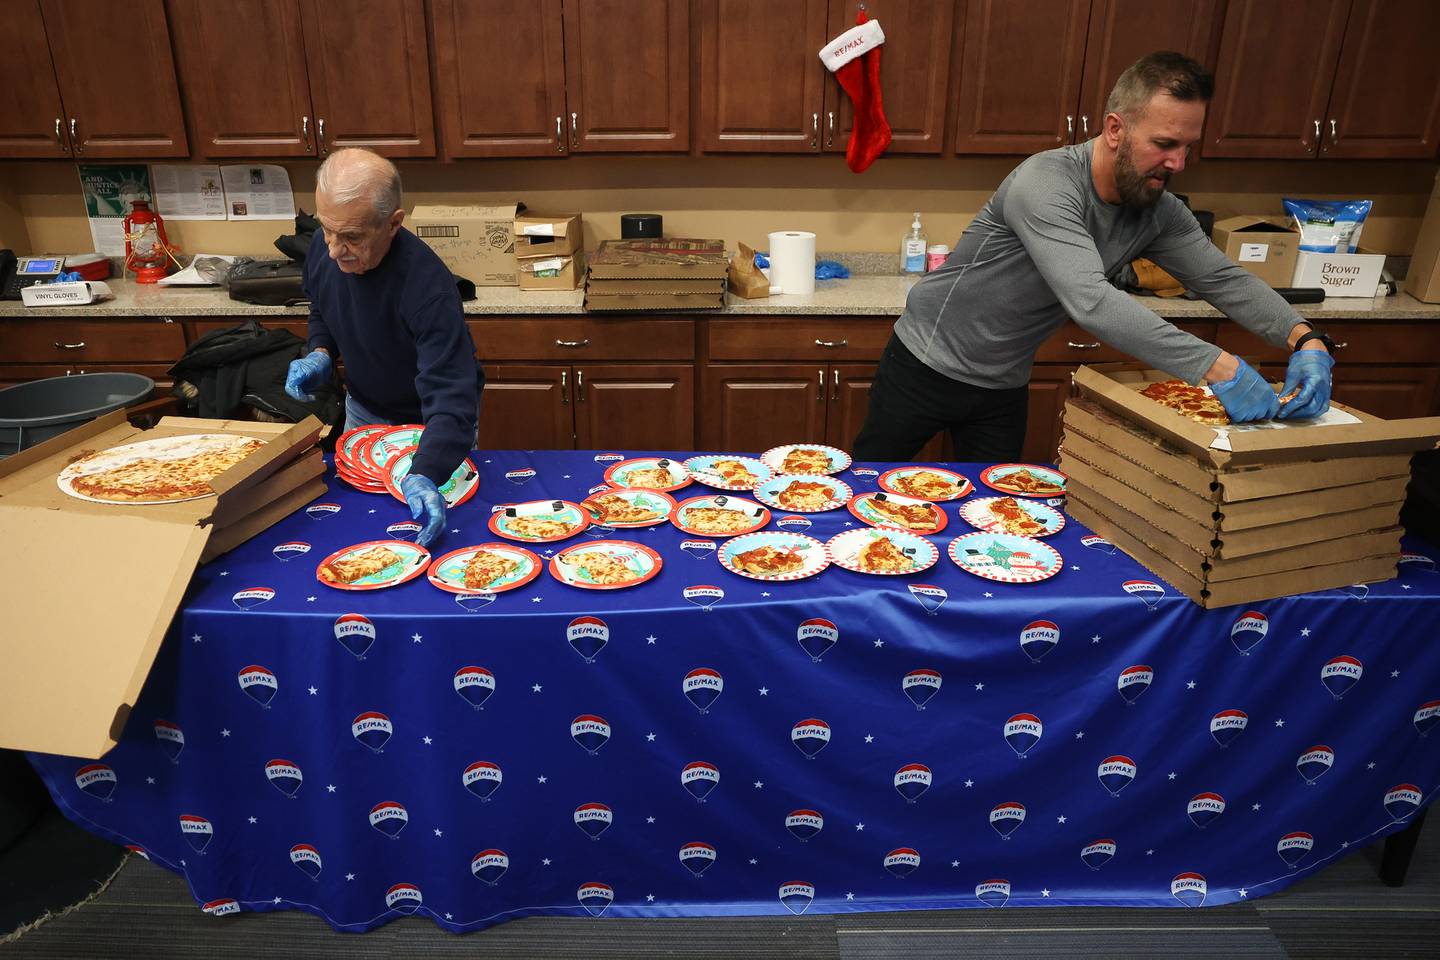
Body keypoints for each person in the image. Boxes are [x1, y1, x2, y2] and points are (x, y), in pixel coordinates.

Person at [853, 51, 1335, 462]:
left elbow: (1224, 280)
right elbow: (1092, 302)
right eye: (1164, 144)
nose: (1178, 164)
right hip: (923, 364)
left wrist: (1305, 338)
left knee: (993, 520)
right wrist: (1218, 367)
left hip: (1003, 384)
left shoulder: (1157, 210)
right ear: (1114, 129)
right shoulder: (1046, 183)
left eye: (1188, 147)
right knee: (865, 492)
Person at [285, 148, 482, 547]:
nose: (335, 249)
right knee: (361, 535)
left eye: (353, 237)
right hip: (364, 414)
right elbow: (322, 306)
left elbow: (452, 397)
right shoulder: (327, 251)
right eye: (327, 229)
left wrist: (428, 469)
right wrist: (320, 352)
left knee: (440, 534)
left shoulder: (428, 288)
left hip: (431, 424)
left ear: (393, 224)